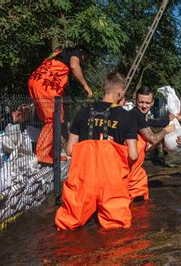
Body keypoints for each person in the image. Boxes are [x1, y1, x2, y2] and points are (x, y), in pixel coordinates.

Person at [55, 72, 138, 230]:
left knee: (69, 223)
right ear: (120, 92)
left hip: (84, 178)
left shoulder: (82, 113)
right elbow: (133, 155)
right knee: (117, 228)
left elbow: (70, 150)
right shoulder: (127, 117)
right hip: (112, 180)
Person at [28, 46, 93, 164]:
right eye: (84, 59)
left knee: (50, 121)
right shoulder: (76, 52)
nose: (82, 61)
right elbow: (74, 65)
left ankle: (51, 154)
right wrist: (85, 86)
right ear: (83, 54)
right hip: (45, 84)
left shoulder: (60, 53)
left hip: (36, 81)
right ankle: (42, 155)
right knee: (53, 120)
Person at [127, 86, 175, 201]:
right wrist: (166, 131)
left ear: (152, 102)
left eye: (147, 103)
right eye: (141, 102)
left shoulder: (136, 115)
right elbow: (152, 138)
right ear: (135, 101)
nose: (144, 106)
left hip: (134, 167)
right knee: (137, 200)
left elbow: (145, 143)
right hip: (130, 168)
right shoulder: (136, 114)